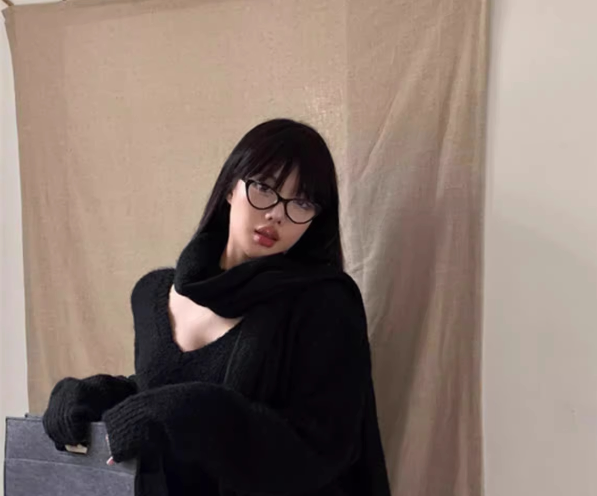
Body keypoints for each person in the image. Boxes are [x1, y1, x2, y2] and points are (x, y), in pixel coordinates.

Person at [42, 119, 391, 496]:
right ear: (230, 187)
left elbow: (324, 448)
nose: (277, 213)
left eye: (301, 202)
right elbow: (157, 388)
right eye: (264, 187)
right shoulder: (154, 294)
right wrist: (93, 394)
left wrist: (191, 411)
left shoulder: (324, 302)